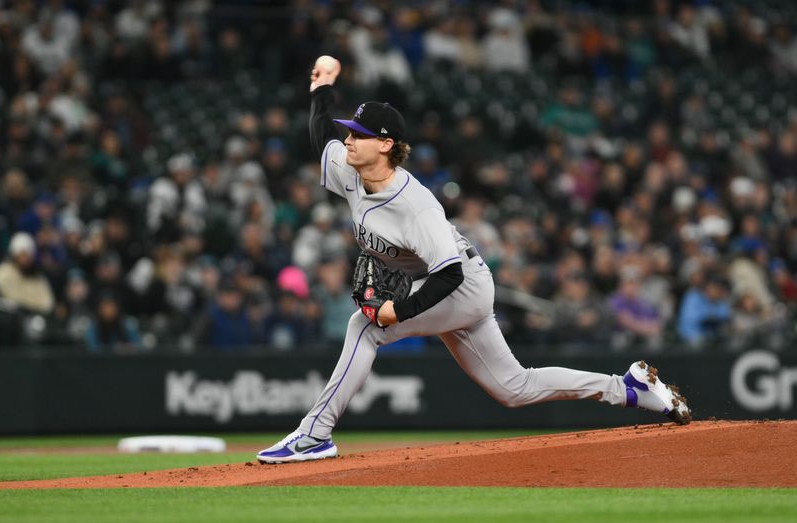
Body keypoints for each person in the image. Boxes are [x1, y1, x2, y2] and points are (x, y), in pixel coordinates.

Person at [255, 56, 691, 464]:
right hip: (445, 286)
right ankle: (629, 390)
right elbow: (321, 139)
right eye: (349, 132)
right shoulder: (351, 169)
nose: (348, 139)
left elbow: (450, 273)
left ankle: (314, 434)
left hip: (462, 285)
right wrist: (322, 87)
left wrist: (398, 311)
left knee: (365, 327)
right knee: (514, 388)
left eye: (358, 134)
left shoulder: (416, 205)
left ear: (385, 145)